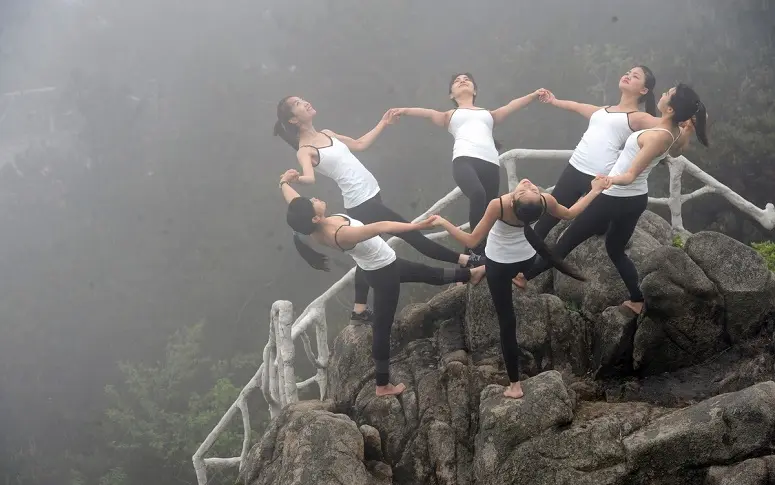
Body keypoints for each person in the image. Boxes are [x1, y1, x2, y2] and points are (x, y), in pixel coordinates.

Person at [274, 96, 480, 324]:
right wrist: (292, 179)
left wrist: (383, 123)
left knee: (366, 254)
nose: (306, 102)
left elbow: (360, 144)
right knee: (412, 234)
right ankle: (466, 261)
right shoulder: (305, 150)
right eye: (298, 104)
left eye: (303, 99)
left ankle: (359, 310)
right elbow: (310, 178)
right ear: (293, 120)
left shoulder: (327, 133)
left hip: (371, 194)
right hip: (361, 203)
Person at [279, 170, 485, 397]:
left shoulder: (311, 226)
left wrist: (284, 182)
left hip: (375, 266)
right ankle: (382, 384)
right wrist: (420, 227)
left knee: (427, 273)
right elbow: (383, 227)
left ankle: (470, 275)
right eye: (312, 203)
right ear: (315, 218)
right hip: (383, 272)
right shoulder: (341, 232)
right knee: (382, 326)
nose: (315, 198)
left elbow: (293, 200)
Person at [517, 84, 709, 315]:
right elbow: (677, 150)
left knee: (563, 245)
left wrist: (607, 181)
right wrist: (688, 130)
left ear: (669, 109)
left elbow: (630, 175)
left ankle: (521, 277)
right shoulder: (673, 132)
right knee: (615, 250)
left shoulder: (658, 136)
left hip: (614, 198)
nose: (664, 94)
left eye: (668, 94)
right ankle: (637, 299)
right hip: (635, 201)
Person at [428, 176, 611, 399]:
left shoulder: (499, 205)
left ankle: (515, 385)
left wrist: (443, 222)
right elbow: (571, 213)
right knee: (517, 272)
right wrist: (595, 190)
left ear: (514, 200)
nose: (528, 183)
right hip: (525, 260)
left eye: (528, 188)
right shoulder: (545, 201)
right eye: (529, 187)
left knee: (507, 323)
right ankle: (520, 276)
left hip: (497, 265)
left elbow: (473, 240)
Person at [533, 66, 694, 239]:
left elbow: (672, 136)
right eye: (627, 73)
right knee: (545, 223)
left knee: (593, 229)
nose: (628, 76)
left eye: (635, 76)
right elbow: (576, 106)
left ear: (644, 90)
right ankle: (525, 264)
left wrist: (688, 130)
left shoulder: (639, 117)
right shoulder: (603, 110)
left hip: (599, 178)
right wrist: (553, 100)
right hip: (574, 169)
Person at [392, 73, 541, 257]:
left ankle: (486, 253)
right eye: (457, 81)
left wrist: (534, 95)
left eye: (467, 79)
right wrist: (403, 110)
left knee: (490, 210)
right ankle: (474, 250)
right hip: (464, 160)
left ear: (475, 90)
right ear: (451, 95)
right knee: (478, 194)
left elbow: (511, 106)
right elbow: (427, 113)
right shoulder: (449, 115)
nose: (462, 81)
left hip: (491, 164)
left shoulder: (488, 114)